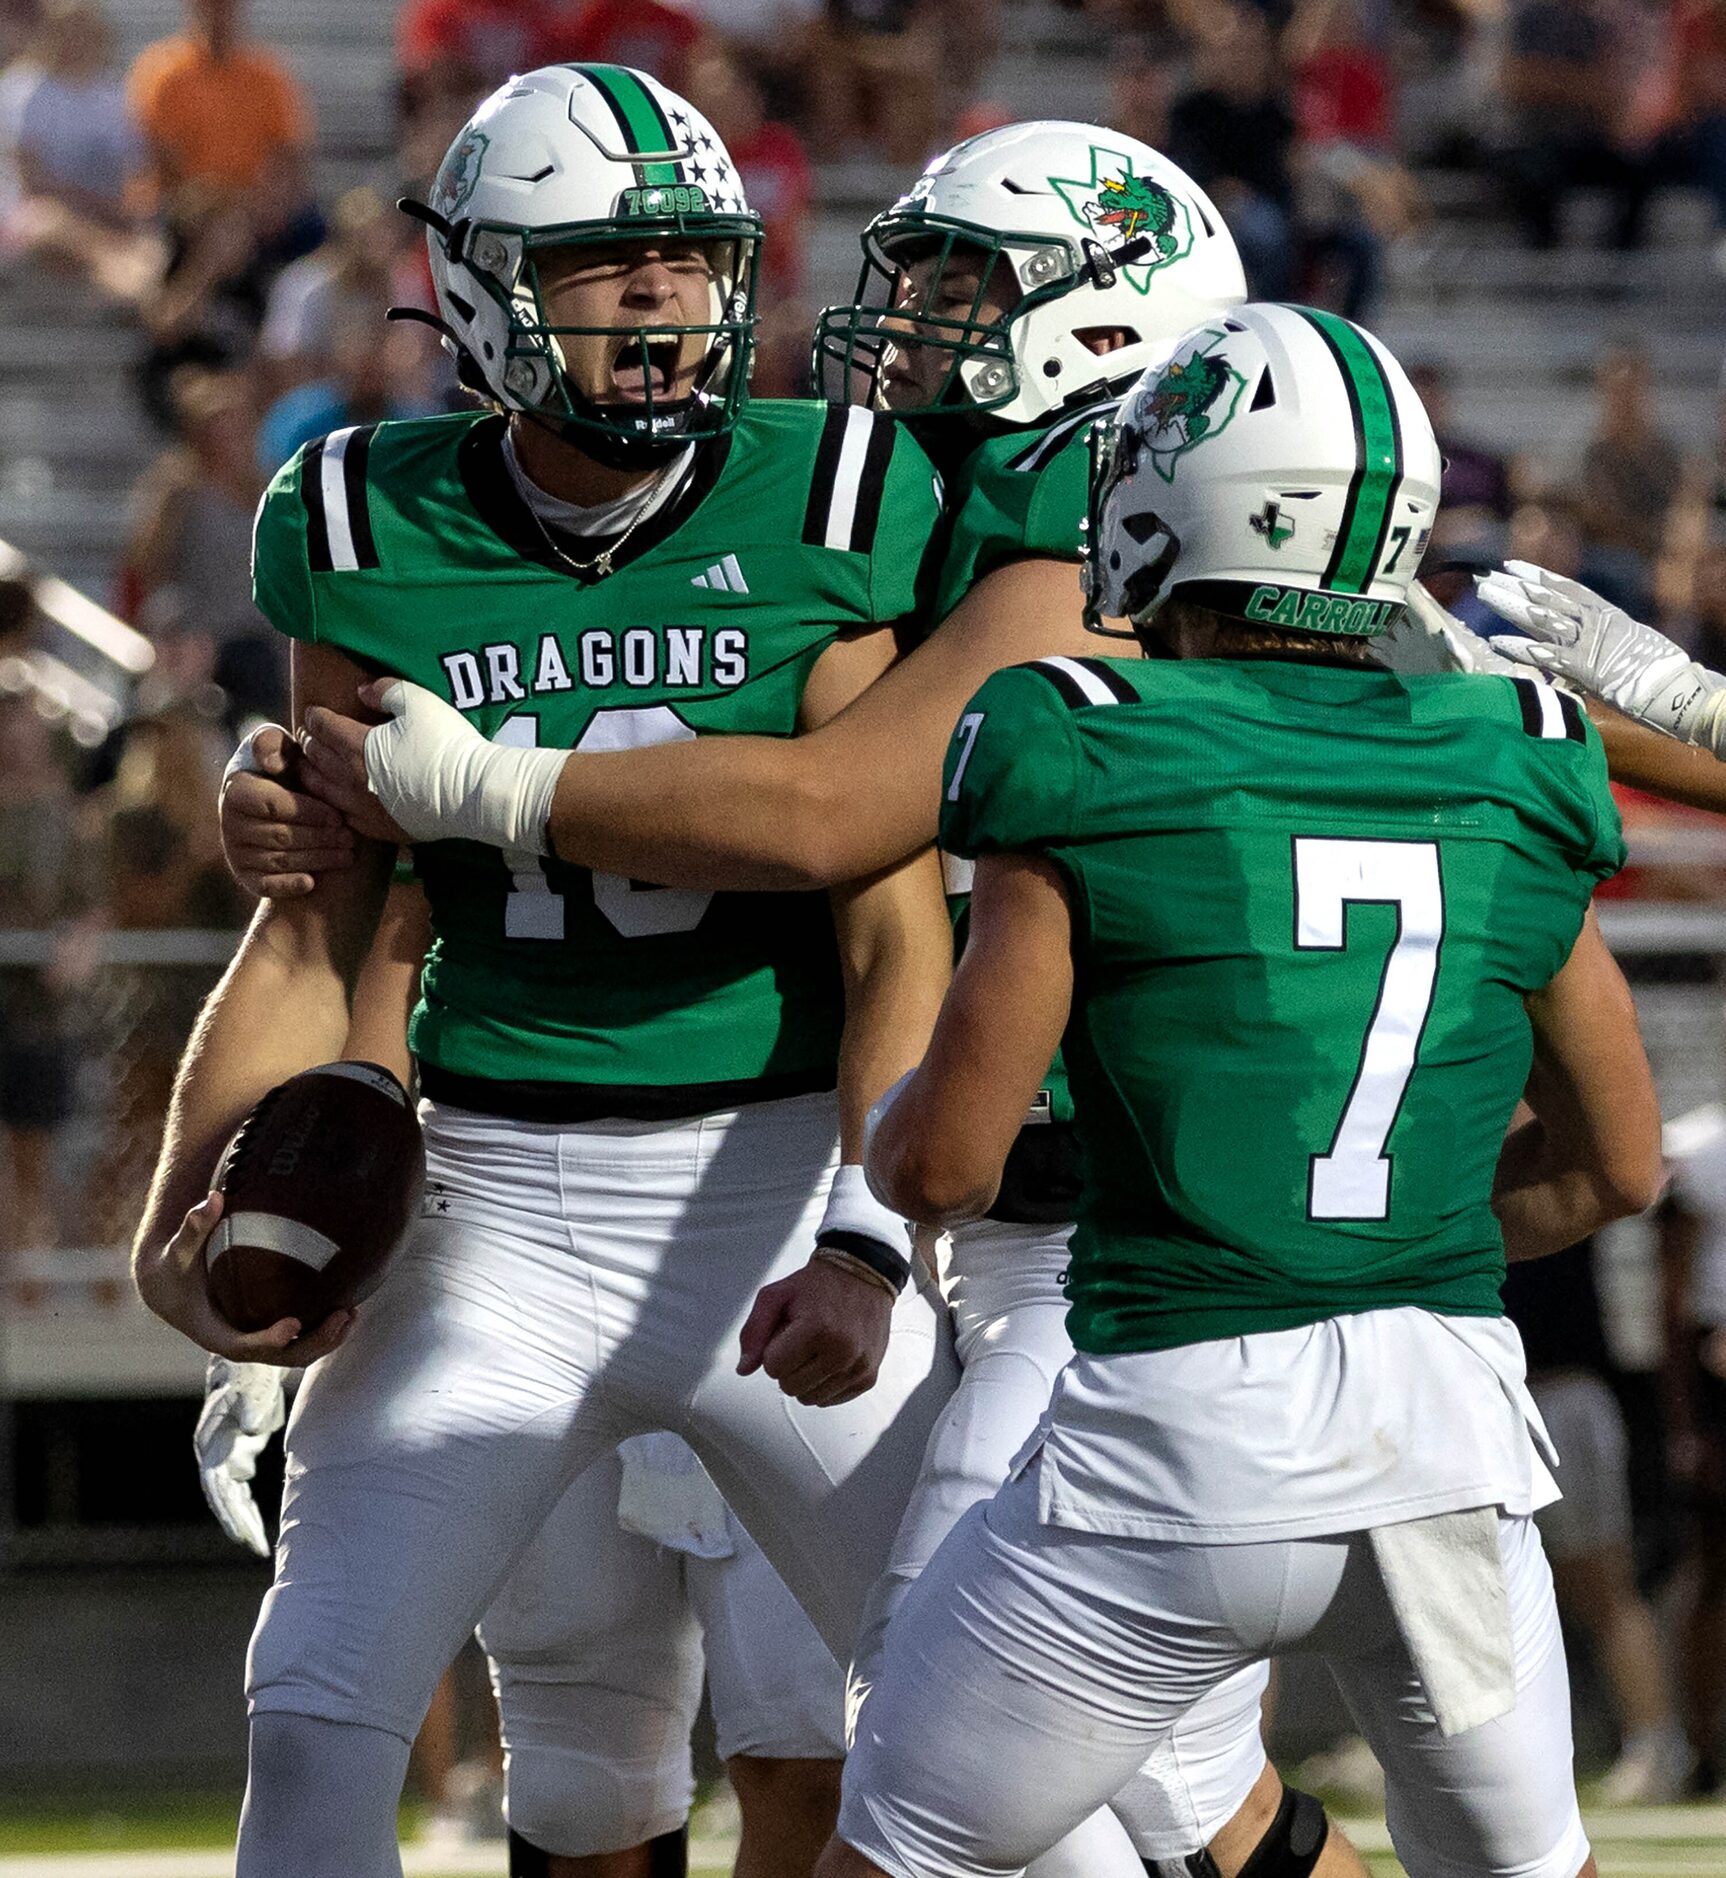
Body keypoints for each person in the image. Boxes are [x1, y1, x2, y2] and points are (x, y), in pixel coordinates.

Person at [264, 122, 1375, 1878]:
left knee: (996, 1744)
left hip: (1072, 1207)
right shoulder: (910, 487)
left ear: (1109, 316)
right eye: (910, 277)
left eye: (960, 287)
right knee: (1086, 1761)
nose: (904, 322)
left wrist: (495, 791)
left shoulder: (1087, 496)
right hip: (942, 1175)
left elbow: (845, 808)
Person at [129, 66, 959, 1878]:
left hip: (760, 1181)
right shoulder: (360, 514)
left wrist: (862, 1231)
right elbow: (334, 921)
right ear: (493, 283)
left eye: (689, 258)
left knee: (983, 1727)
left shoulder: (826, 486)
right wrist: (191, 1220)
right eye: (611, 263)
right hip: (486, 1198)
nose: (667, 298)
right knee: (325, 1702)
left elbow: (892, 915)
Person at [829, 303, 1663, 1878]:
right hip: (1451, 1447)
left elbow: (943, 1161)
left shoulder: (1085, 736)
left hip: (1175, 1446)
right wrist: (1371, 1233)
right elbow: (1619, 1162)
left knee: (896, 1855)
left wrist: (877, 1133)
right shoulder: (1515, 753)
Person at [195, 872, 849, 1877]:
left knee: (822, 1751)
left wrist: (877, 1242)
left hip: (780, 1198)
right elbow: (364, 929)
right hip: (506, 1206)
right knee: (577, 1778)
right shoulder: (409, 732)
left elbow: (852, 836)